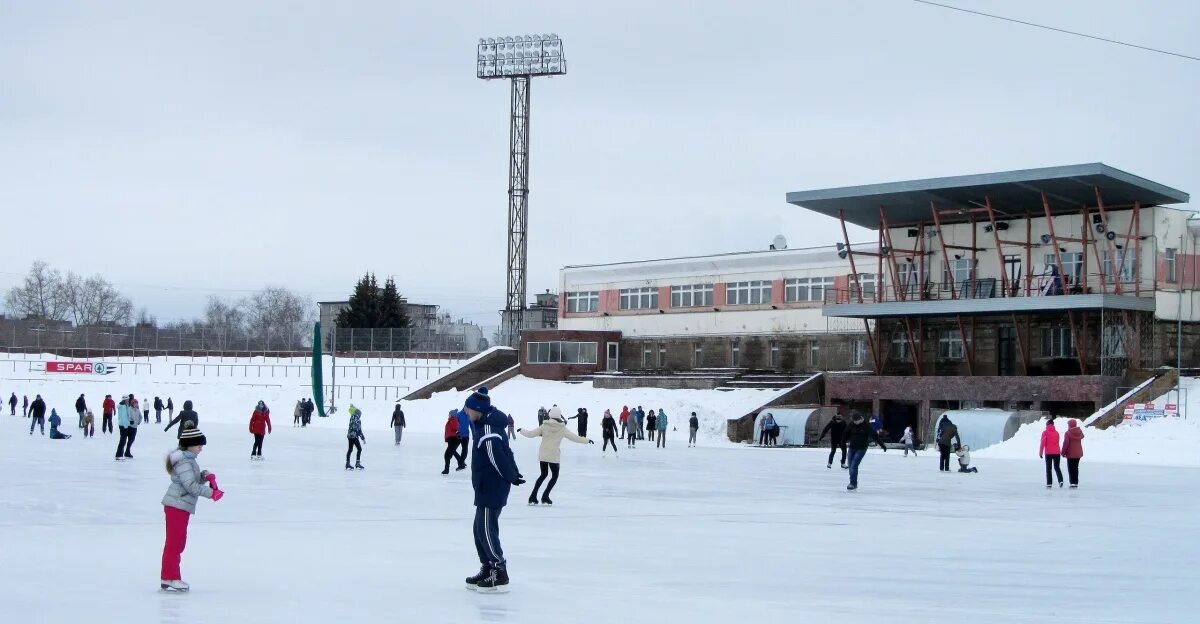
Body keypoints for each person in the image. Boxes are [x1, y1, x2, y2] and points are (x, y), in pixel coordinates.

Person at [461, 387, 523, 593]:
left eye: (468, 409)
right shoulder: (484, 424)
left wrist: (511, 475)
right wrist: (513, 472)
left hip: (492, 487)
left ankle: (499, 570)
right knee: (479, 528)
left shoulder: (488, 430)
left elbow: (497, 457)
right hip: (485, 487)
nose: (466, 412)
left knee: (487, 529)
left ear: (477, 410)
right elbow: (508, 452)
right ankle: (488, 567)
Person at [160, 425, 223, 592]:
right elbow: (190, 486)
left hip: (180, 505)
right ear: (189, 445)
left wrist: (203, 476)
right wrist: (211, 493)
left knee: (178, 542)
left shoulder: (188, 461)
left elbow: (190, 481)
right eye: (199, 446)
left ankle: (169, 576)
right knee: (175, 543)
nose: (201, 449)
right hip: (177, 506)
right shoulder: (184, 462)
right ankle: (171, 577)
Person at [518, 409, 592, 505]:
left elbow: (531, 434)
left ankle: (533, 496)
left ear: (550, 415)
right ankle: (545, 497)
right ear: (559, 416)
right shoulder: (562, 428)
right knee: (554, 476)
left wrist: (522, 430)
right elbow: (574, 437)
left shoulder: (544, 426)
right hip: (553, 455)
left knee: (543, 475)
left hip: (543, 453)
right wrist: (586, 440)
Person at [844, 413, 887, 491]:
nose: (855, 423)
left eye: (856, 421)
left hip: (861, 448)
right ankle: (853, 483)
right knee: (850, 466)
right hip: (852, 447)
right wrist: (843, 442)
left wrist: (882, 445)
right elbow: (846, 433)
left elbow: (875, 436)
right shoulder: (852, 424)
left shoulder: (867, 426)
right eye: (854, 421)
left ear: (861, 419)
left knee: (854, 465)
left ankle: (852, 484)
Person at [1039, 418, 1064, 488]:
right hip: (1057, 452)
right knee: (1057, 467)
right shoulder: (1057, 433)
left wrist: (1040, 453)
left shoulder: (1045, 432)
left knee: (1048, 468)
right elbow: (1057, 442)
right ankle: (1060, 480)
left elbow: (1042, 443)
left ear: (1047, 425)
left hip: (1048, 453)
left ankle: (1049, 483)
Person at [1061, 419, 1085, 488]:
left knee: (1071, 468)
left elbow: (1065, 444)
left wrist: (1063, 452)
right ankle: (1075, 482)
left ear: (1070, 425)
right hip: (1078, 453)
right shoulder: (1079, 432)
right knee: (1076, 467)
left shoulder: (1067, 433)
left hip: (1070, 454)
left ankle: (1072, 483)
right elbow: (1082, 436)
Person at [115, 394, 140, 460]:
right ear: (125, 400)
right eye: (128, 399)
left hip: (124, 425)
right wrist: (129, 423)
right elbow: (124, 417)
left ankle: (120, 455)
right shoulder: (123, 407)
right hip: (123, 425)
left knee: (123, 440)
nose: (128, 400)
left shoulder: (125, 406)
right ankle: (119, 455)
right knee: (122, 441)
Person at [345, 405, 365, 470]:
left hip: (349, 435)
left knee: (350, 449)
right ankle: (357, 463)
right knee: (359, 449)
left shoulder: (352, 417)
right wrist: (363, 438)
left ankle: (347, 463)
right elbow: (359, 430)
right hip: (354, 436)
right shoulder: (358, 420)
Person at [443, 410, 463, 474]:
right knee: (452, 452)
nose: (449, 415)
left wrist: (457, 432)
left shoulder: (453, 419)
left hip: (453, 439)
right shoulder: (452, 420)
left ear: (452, 414)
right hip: (452, 439)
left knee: (447, 455)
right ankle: (461, 463)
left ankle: (446, 470)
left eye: (449, 414)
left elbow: (455, 427)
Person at [456, 407, 472, 471]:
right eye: (466, 408)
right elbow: (455, 424)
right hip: (458, 435)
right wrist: (456, 432)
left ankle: (461, 464)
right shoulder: (458, 414)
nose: (467, 410)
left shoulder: (469, 415)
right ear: (464, 408)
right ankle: (461, 461)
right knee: (452, 449)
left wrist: (474, 434)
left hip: (466, 436)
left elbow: (472, 425)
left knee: (465, 449)